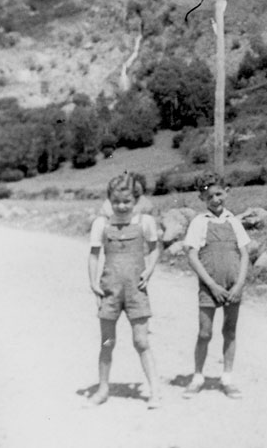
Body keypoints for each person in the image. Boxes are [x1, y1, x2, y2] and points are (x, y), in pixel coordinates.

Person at [87, 173, 161, 408]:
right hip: (110, 290)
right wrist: (93, 283)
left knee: (141, 341)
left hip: (135, 291)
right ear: (109, 200)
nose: (121, 206)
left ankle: (154, 391)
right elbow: (94, 254)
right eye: (116, 201)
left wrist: (149, 271)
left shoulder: (145, 222)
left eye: (127, 201)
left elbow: (155, 248)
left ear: (135, 200)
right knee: (107, 342)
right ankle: (102, 389)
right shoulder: (102, 224)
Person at [182, 171, 250, 400]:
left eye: (219, 194)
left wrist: (239, 284)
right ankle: (198, 376)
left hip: (232, 285)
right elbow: (191, 255)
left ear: (226, 193)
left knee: (230, 331)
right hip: (209, 287)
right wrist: (211, 285)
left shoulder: (234, 221)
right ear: (202, 199)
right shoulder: (199, 223)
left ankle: (227, 378)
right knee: (205, 332)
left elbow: (245, 253)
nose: (215, 200)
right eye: (209, 196)